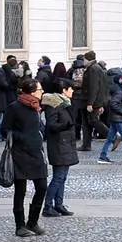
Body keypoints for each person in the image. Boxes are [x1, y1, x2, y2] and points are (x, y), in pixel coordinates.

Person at [2, 81, 51, 235]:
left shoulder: (36, 106)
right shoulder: (14, 107)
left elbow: (37, 127)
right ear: (31, 91)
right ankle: (20, 226)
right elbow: (4, 129)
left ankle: (33, 222)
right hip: (20, 153)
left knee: (42, 186)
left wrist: (41, 134)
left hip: (36, 153)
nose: (42, 91)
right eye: (40, 89)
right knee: (20, 190)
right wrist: (22, 137)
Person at [41, 87, 79, 218]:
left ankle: (58, 204)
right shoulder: (54, 104)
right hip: (59, 144)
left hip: (66, 143)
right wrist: (65, 125)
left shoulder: (66, 104)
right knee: (58, 177)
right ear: (64, 90)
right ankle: (47, 206)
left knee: (62, 177)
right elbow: (51, 126)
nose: (73, 91)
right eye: (71, 89)